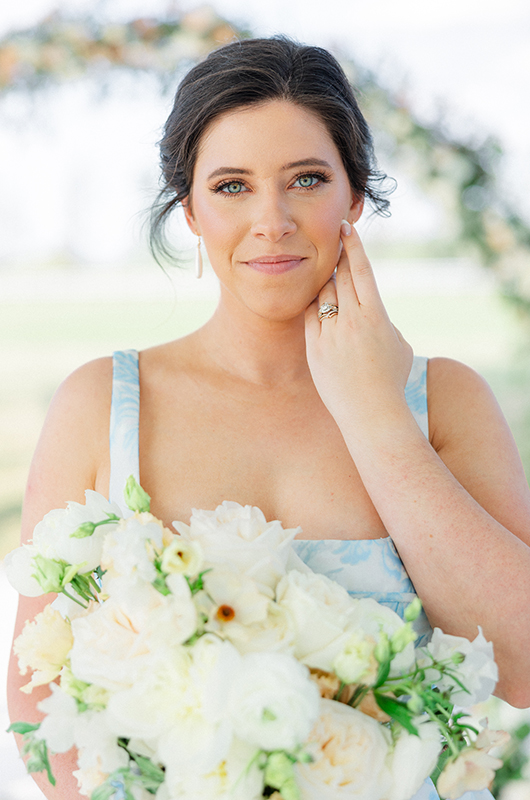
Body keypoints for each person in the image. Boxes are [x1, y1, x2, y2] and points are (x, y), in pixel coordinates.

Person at [7, 36, 530, 800]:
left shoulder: (446, 403)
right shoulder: (103, 403)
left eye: (306, 179)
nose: (272, 220)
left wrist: (373, 415)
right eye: (231, 186)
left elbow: (519, 667)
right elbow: (34, 697)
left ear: (354, 195)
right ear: (188, 209)